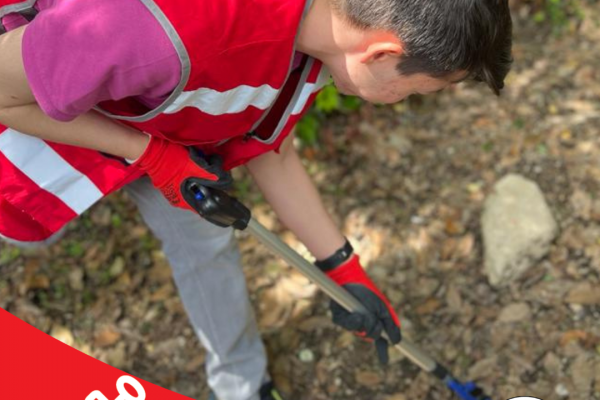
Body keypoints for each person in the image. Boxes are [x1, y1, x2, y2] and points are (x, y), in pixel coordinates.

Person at [0, 0, 513, 399]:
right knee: (25, 226)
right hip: (35, 102)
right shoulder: (162, 28)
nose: (408, 101)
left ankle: (243, 388)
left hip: (170, 129)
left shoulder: (318, 37)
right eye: (417, 91)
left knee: (207, 245)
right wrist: (146, 152)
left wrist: (343, 269)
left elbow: (273, 149)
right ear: (380, 53)